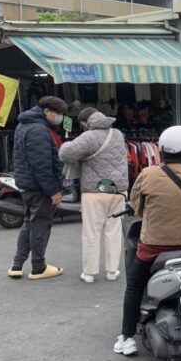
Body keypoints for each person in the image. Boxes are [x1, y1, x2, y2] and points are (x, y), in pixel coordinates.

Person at [114, 125, 181, 356]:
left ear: (162, 150)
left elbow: (139, 209)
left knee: (134, 287)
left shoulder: (148, 174)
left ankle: (126, 338)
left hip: (153, 249)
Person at [59, 107, 128, 284]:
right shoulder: (118, 134)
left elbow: (65, 154)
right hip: (118, 190)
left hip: (95, 190)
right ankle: (113, 271)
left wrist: (66, 142)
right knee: (114, 231)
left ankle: (89, 273)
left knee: (92, 232)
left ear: (86, 121)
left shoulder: (88, 136)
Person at [7, 96, 67, 280]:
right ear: (47, 111)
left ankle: (17, 265)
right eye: (58, 113)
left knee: (28, 224)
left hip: (27, 185)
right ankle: (38, 267)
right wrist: (53, 191)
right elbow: (41, 165)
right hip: (40, 188)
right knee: (41, 225)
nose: (60, 117)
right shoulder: (38, 129)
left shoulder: (24, 124)